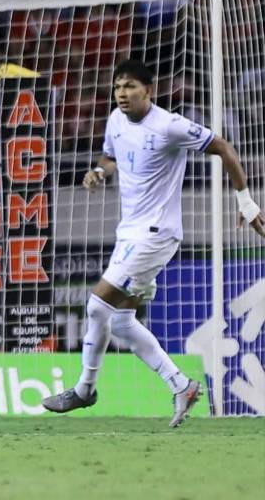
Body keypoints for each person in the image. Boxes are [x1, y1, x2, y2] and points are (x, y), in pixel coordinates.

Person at [43, 60, 264, 426]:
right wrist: (99, 172)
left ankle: (85, 389)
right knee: (123, 320)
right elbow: (111, 156)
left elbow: (223, 146)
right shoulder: (115, 120)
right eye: (117, 87)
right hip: (129, 232)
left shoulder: (169, 125)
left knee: (98, 306)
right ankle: (181, 385)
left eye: (130, 86)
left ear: (149, 90)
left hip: (156, 233)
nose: (122, 94)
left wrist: (245, 201)